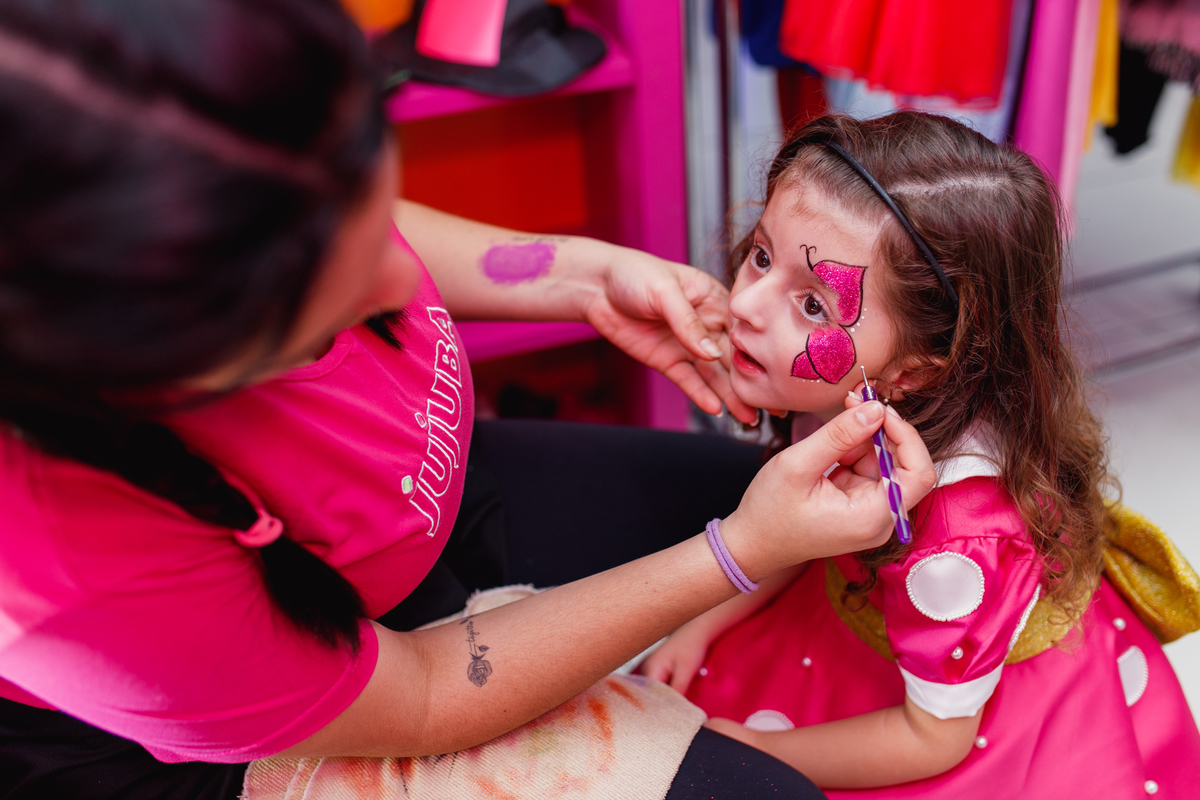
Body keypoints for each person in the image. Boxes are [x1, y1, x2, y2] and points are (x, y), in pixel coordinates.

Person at [0, 3, 939, 799]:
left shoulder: (215, 148)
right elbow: (422, 694)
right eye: (329, 311)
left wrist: (582, 277)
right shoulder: (74, 562)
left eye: (374, 204)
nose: (403, 284)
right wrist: (734, 556)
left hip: (426, 516)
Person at [642, 112, 1200, 798]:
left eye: (813, 305)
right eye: (761, 256)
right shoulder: (845, 385)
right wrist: (702, 622)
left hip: (950, 710)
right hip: (869, 609)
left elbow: (934, 737)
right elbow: (795, 529)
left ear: (912, 370)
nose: (748, 305)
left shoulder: (957, 539)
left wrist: (757, 751)